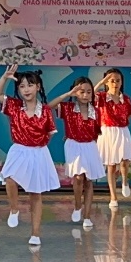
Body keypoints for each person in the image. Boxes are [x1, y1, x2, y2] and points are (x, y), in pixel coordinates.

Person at [0, 65, 59, 247]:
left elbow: (51, 132)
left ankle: (35, 233)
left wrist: (39, 146)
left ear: (38, 87)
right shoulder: (14, 106)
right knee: (9, 178)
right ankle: (14, 209)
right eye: (22, 86)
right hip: (19, 149)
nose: (26, 89)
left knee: (35, 194)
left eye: (30, 85)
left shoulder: (45, 110)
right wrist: (4, 78)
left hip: (38, 152)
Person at [50, 75, 103, 230]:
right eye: (81, 92)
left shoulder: (96, 111)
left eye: (88, 92)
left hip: (90, 146)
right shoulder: (67, 108)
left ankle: (87, 216)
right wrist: (67, 94)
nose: (85, 95)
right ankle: (78, 206)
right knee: (78, 177)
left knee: (89, 180)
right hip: (73, 145)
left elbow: (97, 132)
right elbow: (49, 106)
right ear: (75, 92)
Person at [95, 68, 131, 208]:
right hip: (107, 131)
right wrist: (101, 82)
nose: (115, 83)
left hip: (122, 130)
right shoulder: (101, 97)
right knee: (111, 166)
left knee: (124, 160)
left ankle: (125, 181)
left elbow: (130, 114)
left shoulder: (126, 99)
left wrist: (122, 124)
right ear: (106, 82)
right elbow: (90, 95)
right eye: (111, 81)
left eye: (118, 80)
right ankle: (113, 197)